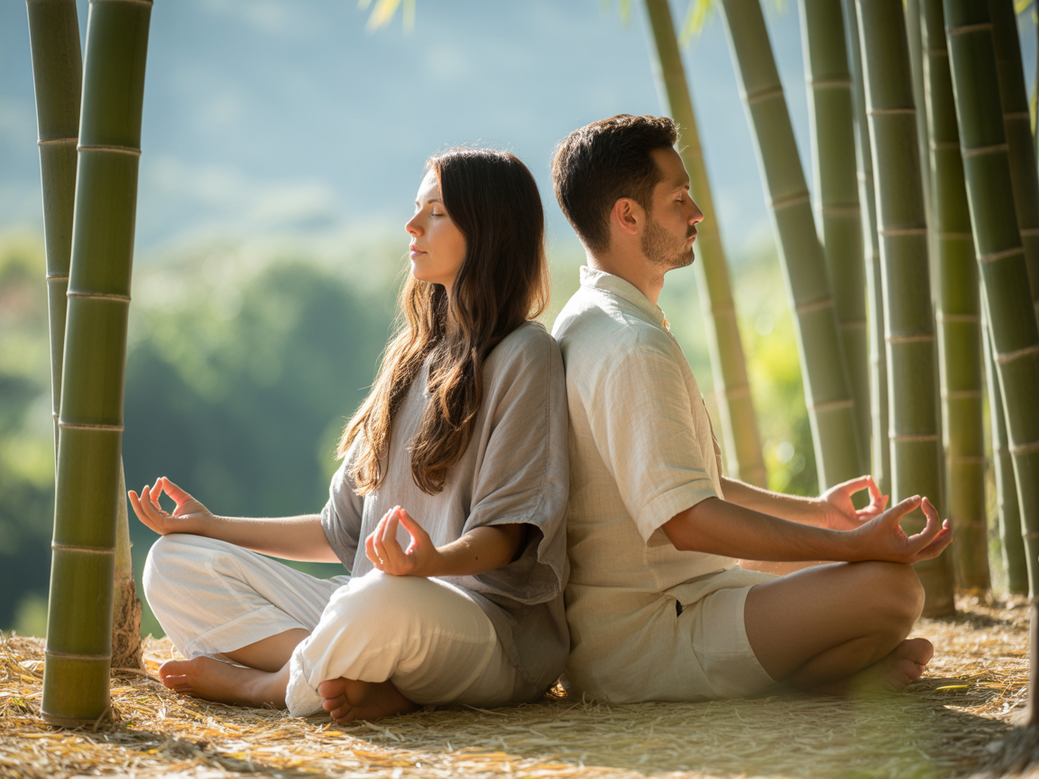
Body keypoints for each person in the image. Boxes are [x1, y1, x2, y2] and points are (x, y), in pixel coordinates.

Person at [129, 147, 569, 723]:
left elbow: (508, 535)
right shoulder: (410, 359)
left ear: (492, 231)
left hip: (483, 630)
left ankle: (266, 686)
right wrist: (212, 527)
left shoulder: (526, 354)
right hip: (373, 607)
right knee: (173, 562)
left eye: (436, 212)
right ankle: (355, 678)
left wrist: (430, 563)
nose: (412, 225)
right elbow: (337, 533)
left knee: (379, 598)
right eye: (417, 208)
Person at [549, 114, 952, 704]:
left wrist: (820, 514)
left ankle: (826, 671)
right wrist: (853, 546)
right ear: (628, 216)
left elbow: (685, 485)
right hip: (648, 638)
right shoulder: (631, 343)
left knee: (855, 579)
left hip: (657, 609)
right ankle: (815, 680)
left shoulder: (590, 319)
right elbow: (688, 520)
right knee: (892, 592)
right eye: (678, 199)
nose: (696, 213)